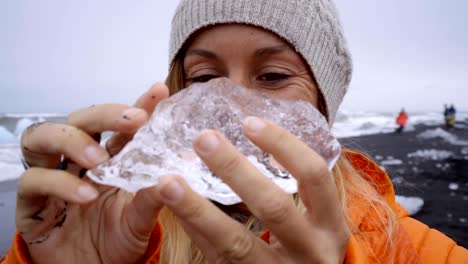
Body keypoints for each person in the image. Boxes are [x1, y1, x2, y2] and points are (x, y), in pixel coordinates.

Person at [3, 0, 467, 263]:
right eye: (206, 80)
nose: (231, 109)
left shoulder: (422, 253)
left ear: (323, 106)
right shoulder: (126, 233)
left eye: (272, 77)